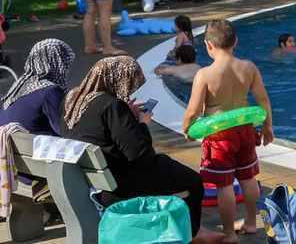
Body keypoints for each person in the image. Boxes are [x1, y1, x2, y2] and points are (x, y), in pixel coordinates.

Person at [65, 57, 221, 244]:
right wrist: (142, 124)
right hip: (120, 186)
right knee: (194, 181)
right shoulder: (112, 106)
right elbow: (141, 154)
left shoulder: (73, 101)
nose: (129, 91)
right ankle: (194, 233)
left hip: (92, 182)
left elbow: (102, 132)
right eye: (129, 86)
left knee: (168, 165)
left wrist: (126, 117)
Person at [182, 20, 273, 242]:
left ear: (208, 45)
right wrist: (268, 125)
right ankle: (250, 223)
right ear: (235, 41)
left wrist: (187, 129)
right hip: (244, 130)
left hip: (219, 137)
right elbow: (262, 99)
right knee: (248, 179)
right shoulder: (249, 68)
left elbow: (193, 110)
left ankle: (230, 233)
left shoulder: (205, 75)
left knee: (224, 186)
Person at [0, 39, 75, 136]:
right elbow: (64, 131)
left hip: (12, 144)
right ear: (57, 64)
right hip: (36, 144)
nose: (67, 70)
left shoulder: (19, 86)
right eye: (65, 64)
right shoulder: (50, 91)